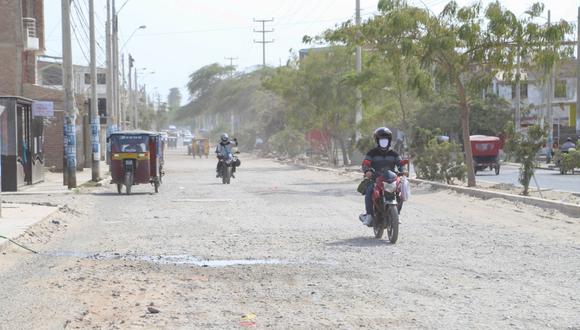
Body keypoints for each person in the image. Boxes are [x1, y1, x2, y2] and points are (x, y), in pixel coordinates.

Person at [359, 127, 405, 227]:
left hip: (391, 179)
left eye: (386, 139)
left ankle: (397, 214)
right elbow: (365, 164)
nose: (383, 141)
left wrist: (403, 171)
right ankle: (369, 215)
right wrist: (367, 170)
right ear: (377, 140)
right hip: (376, 179)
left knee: (401, 192)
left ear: (389, 140)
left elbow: (400, 164)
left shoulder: (394, 153)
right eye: (381, 139)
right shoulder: (372, 153)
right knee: (369, 191)